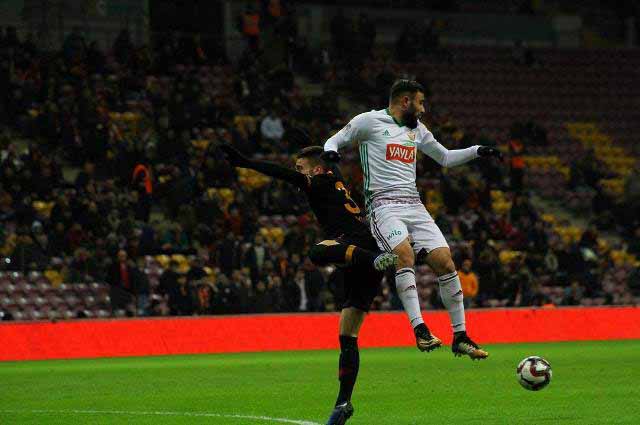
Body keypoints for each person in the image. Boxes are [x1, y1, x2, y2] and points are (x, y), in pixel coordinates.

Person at [220, 144, 403, 425]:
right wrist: (321, 147)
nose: (298, 173)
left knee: (317, 252)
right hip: (360, 256)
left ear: (316, 170)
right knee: (348, 336)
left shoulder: (317, 182)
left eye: (301, 168)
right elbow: (326, 160)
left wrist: (246, 162)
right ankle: (343, 403)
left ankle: (377, 259)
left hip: (355, 247)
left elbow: (282, 174)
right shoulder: (336, 179)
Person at [323, 79, 502, 363]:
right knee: (403, 255)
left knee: (446, 262)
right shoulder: (369, 121)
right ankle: (420, 330)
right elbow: (334, 140)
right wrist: (331, 153)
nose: (423, 109)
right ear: (405, 101)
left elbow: (445, 157)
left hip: (414, 204)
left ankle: (460, 336)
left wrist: (477, 150)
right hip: (383, 205)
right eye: (420, 102)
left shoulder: (417, 129)